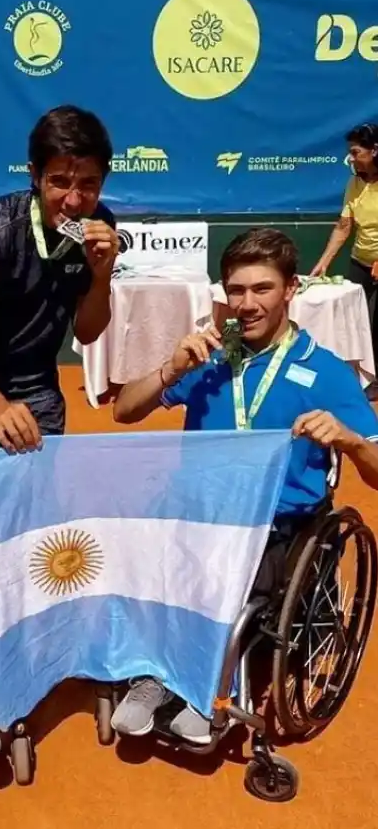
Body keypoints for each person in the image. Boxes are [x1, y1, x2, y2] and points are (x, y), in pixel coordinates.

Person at [109, 227, 378, 744]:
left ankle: (203, 683)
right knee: (132, 550)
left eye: (262, 289)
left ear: (290, 289)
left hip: (276, 526)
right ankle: (153, 674)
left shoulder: (324, 371)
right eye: (236, 291)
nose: (247, 304)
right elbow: (124, 410)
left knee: (223, 571)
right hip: (195, 512)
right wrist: (171, 367)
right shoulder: (212, 356)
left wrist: (349, 439)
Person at [0, 104, 119, 459]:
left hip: (38, 384)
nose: (74, 201)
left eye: (89, 184)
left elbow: (87, 332)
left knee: (37, 503)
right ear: (34, 175)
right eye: (59, 182)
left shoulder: (100, 223)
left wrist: (102, 277)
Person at [311, 123, 378, 399]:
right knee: (355, 322)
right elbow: (343, 226)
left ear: (374, 151)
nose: (351, 158)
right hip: (359, 262)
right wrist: (324, 261)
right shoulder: (354, 183)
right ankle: (358, 378)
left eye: (355, 151)